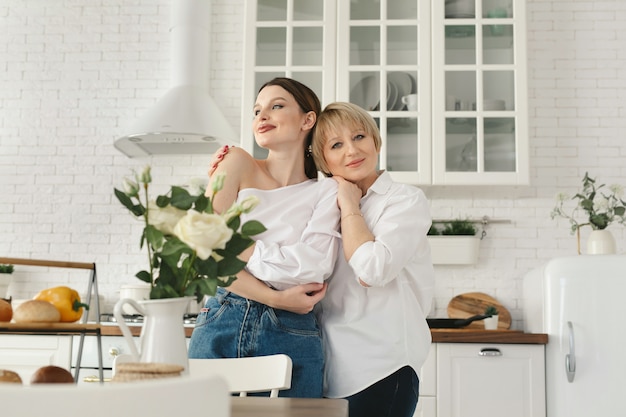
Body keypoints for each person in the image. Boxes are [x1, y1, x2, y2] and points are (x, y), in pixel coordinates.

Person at [187, 78, 341, 398]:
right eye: (257, 110)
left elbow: (311, 269)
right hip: (224, 317)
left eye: (277, 106)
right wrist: (275, 298)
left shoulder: (327, 189)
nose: (262, 116)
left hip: (291, 330)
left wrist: (228, 245)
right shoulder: (238, 161)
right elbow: (201, 252)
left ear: (307, 120)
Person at [310, 102, 434, 417]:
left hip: (383, 365)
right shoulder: (323, 205)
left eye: (360, 137)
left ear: (376, 141)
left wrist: (351, 208)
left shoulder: (404, 200)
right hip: (331, 368)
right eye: (337, 145)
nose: (352, 150)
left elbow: (372, 269)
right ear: (324, 160)